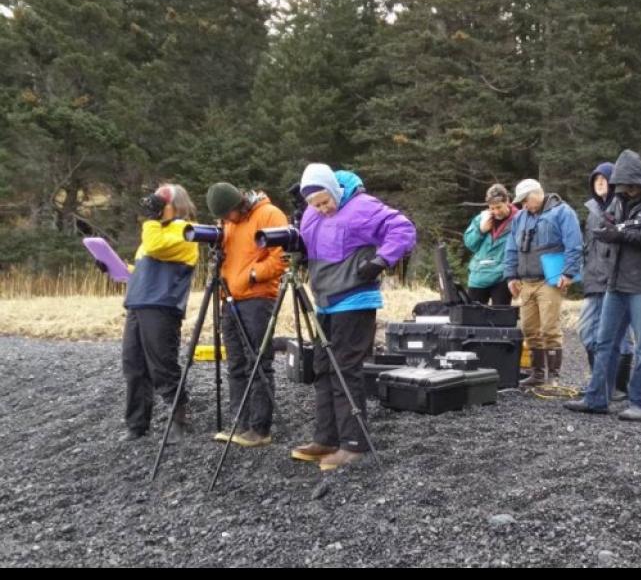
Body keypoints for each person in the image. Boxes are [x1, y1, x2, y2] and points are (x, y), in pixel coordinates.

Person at [291, 164, 417, 471]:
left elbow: (403, 229)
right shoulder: (310, 214)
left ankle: (353, 444)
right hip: (325, 301)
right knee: (322, 368)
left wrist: (381, 260)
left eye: (325, 201)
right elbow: (306, 243)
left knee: (345, 369)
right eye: (315, 204)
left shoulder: (362, 207)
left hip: (355, 298)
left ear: (334, 190)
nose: (322, 209)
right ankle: (326, 437)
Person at [564, 149, 641, 421]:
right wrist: (611, 231)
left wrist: (622, 232)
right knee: (605, 342)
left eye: (627, 185)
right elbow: (609, 224)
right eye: (620, 186)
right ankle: (597, 398)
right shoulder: (618, 198)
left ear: (638, 180)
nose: (623, 191)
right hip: (615, 282)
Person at [205, 182, 288, 447]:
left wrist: (253, 274)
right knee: (236, 364)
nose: (227, 219)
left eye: (228, 213)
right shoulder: (228, 224)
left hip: (258, 299)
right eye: (223, 216)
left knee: (258, 363)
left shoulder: (269, 214)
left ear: (239, 203)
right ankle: (239, 425)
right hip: (229, 299)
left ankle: (259, 429)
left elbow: (281, 256)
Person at [119, 184, 199, 442]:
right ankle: (137, 424)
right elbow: (149, 266)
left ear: (175, 205)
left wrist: (151, 221)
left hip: (162, 305)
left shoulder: (186, 232)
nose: (153, 208)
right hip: (139, 302)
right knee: (134, 365)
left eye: (159, 203)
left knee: (162, 366)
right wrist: (119, 269)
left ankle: (180, 421)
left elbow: (154, 247)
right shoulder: (157, 232)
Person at [503, 178, 582, 387]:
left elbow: (574, 244)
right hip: (526, 282)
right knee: (529, 329)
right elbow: (511, 248)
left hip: (551, 280)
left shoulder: (563, 212)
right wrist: (511, 276)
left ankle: (553, 376)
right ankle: (537, 374)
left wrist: (569, 273)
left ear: (537, 194)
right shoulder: (519, 218)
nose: (522, 205)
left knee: (550, 328)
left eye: (525, 200)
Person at [577, 162, 634, 401]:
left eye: (604, 179)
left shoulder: (622, 206)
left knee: (618, 337)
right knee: (587, 332)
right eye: (595, 179)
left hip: (615, 280)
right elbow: (589, 249)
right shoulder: (592, 211)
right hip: (593, 281)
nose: (599, 183)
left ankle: (618, 388)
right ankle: (600, 383)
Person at [463, 183, 518, 305]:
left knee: (500, 316)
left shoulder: (518, 220)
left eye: (499, 207)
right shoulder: (481, 219)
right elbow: (470, 244)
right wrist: (481, 231)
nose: (496, 212)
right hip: (479, 274)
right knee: (473, 316)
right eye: (492, 208)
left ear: (507, 201)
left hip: (502, 276)